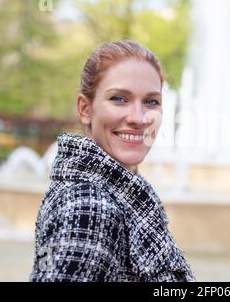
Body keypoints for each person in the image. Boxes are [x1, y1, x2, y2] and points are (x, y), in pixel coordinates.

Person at [29, 39, 195, 282]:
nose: (139, 118)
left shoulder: (117, 194)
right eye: (119, 98)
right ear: (85, 108)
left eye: (151, 101)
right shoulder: (90, 206)